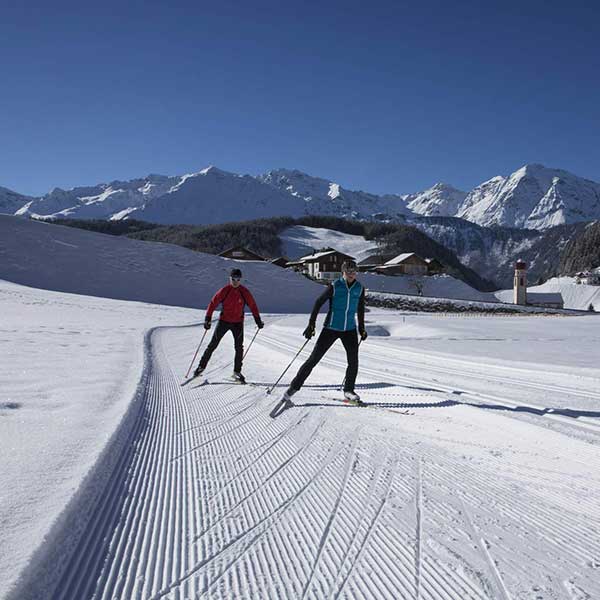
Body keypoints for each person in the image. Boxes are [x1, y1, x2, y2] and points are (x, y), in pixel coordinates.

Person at [283, 260, 367, 404]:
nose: (352, 274)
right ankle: (293, 388)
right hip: (331, 328)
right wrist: (311, 324)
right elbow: (318, 302)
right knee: (314, 359)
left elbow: (360, 308)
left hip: (349, 329)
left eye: (354, 271)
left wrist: (361, 327)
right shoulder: (335, 286)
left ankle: (349, 390)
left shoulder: (359, 288)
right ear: (343, 272)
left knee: (353, 361)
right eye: (348, 271)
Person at [194, 268, 264, 383]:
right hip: (224, 322)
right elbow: (213, 303)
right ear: (229, 278)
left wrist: (258, 320)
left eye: (238, 279)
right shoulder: (225, 290)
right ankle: (201, 367)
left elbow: (253, 306)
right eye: (233, 279)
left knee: (239, 348)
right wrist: (208, 319)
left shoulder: (244, 292)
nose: (235, 281)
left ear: (240, 280)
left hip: (238, 323)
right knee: (213, 345)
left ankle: (237, 372)